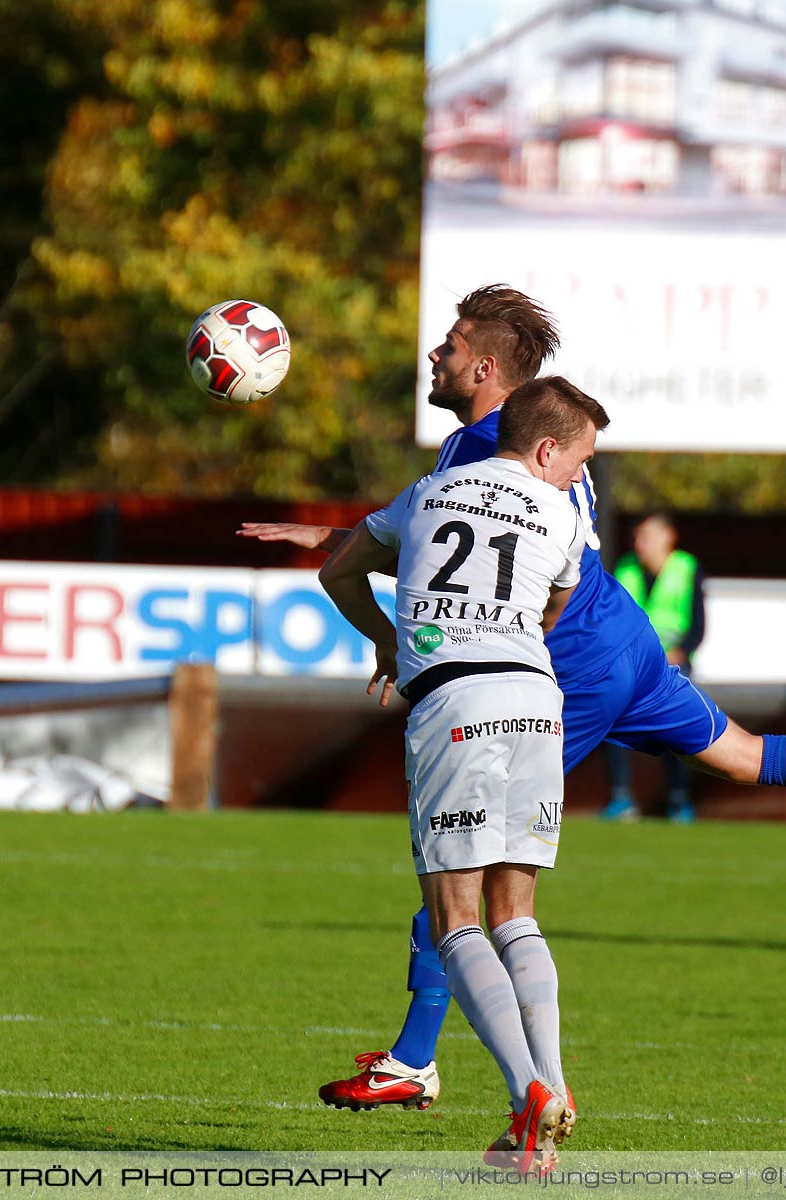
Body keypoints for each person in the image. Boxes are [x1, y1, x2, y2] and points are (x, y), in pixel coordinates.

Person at [240, 283, 786, 1115]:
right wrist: (340, 538)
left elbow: (455, 553)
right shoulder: (540, 447)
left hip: (554, 669)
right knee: (748, 757)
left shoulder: (478, 454)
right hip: (624, 637)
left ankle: (417, 1061)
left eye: (452, 345)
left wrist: (353, 569)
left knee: (465, 884)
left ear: (488, 367)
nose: (438, 354)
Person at [318, 376, 609, 1172]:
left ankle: (528, 1097)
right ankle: (551, 1090)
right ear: (547, 449)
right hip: (538, 702)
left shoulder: (429, 490)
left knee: (456, 922)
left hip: (455, 703)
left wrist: (389, 640)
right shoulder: (562, 512)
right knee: (518, 914)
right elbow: (551, 608)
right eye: (581, 457)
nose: (580, 473)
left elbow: (338, 573)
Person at [602, 513, 704, 823]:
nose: (639, 544)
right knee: (612, 725)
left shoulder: (686, 568)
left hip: (673, 664)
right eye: (637, 537)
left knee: (678, 731)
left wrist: (682, 651)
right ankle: (620, 798)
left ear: (668, 537)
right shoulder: (625, 568)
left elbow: (698, 624)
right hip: (630, 662)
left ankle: (678, 800)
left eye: (647, 537)